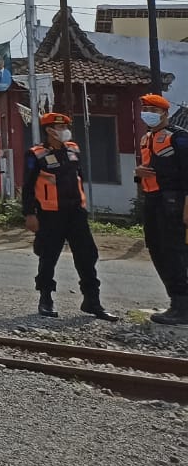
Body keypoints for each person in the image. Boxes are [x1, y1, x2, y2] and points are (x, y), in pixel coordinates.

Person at [23, 112, 117, 321]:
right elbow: (28, 186)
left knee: (87, 256)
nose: (65, 130)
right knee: (48, 257)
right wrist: (29, 214)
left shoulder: (73, 149)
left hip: (76, 213)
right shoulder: (35, 154)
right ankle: (45, 299)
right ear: (49, 130)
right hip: (50, 214)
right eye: (60, 127)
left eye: (66, 126)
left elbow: (79, 177)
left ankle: (92, 301)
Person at [136, 93, 188, 325]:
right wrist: (138, 174)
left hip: (174, 202)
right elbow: (149, 169)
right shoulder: (146, 138)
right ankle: (175, 301)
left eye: (154, 111)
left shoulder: (179, 138)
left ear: (165, 113)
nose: (148, 114)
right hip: (152, 200)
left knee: (174, 251)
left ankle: (182, 305)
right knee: (157, 248)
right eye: (146, 109)